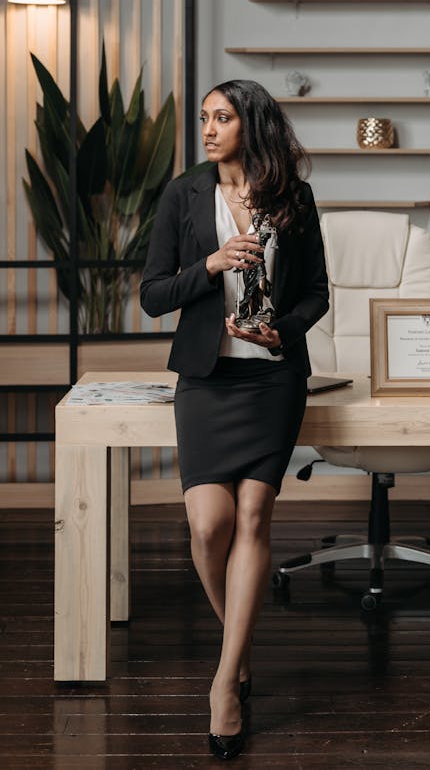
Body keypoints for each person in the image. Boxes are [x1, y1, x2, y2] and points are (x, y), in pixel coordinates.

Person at [140, 79, 329, 760]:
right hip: (206, 379)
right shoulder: (182, 195)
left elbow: (316, 293)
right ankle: (238, 641)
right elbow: (151, 294)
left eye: (222, 117)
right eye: (204, 117)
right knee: (207, 524)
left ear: (252, 123)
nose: (209, 128)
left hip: (273, 380)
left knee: (252, 518)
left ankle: (226, 683)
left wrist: (284, 329)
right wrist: (212, 263)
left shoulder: (293, 197)